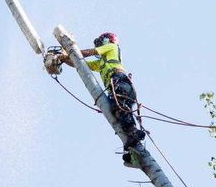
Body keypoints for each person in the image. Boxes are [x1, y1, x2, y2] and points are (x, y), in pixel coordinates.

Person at [46, 32, 145, 166]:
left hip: (120, 82)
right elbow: (80, 64)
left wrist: (68, 52)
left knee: (119, 107)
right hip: (115, 87)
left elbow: (88, 53)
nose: (98, 45)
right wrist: (63, 59)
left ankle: (134, 132)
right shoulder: (101, 63)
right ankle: (134, 150)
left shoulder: (112, 47)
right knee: (116, 112)